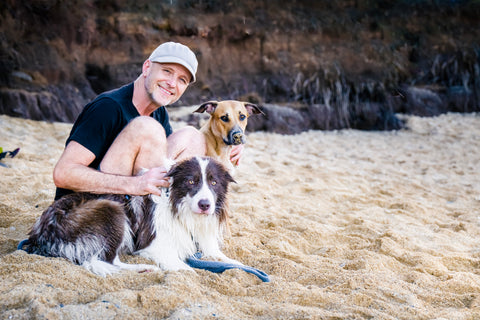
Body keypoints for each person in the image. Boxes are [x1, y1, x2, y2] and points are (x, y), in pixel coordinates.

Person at [53, 41, 244, 200]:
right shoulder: (108, 107)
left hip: (131, 204)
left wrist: (229, 147)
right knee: (146, 128)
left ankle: (165, 223)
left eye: (182, 80)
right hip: (90, 209)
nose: (172, 83)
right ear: (146, 67)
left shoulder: (159, 114)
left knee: (192, 136)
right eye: (167, 71)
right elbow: (63, 174)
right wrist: (136, 184)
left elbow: (164, 161)